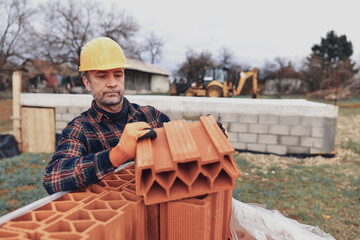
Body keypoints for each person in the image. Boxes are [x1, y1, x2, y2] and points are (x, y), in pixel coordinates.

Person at [43, 37, 170, 194]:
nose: (112, 83)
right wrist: (116, 155)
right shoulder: (80, 129)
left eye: (118, 75)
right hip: (110, 211)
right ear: (87, 83)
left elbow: (180, 144)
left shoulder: (152, 116)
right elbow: (53, 178)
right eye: (102, 76)